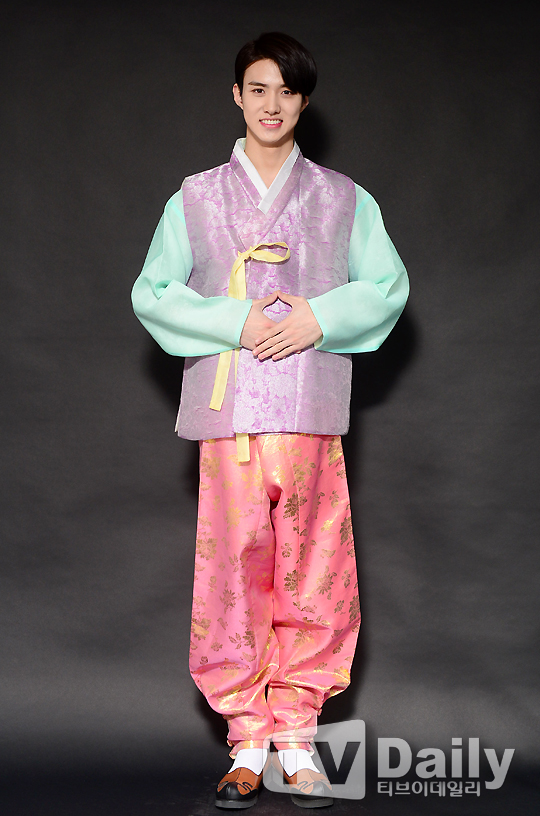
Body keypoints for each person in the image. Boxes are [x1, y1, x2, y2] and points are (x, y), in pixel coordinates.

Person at [132, 31, 409, 810]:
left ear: (303, 100)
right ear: (237, 96)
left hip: (309, 410)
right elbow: (154, 291)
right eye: (258, 89)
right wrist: (236, 321)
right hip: (231, 414)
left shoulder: (343, 197)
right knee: (233, 570)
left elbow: (387, 284)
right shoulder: (194, 197)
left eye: (286, 91)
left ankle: (298, 736)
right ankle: (247, 739)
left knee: (316, 571)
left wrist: (319, 316)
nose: (271, 105)